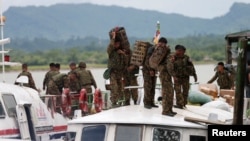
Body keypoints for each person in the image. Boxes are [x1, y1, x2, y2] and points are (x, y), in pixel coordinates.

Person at [168, 45, 197, 110]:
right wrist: (174, 76)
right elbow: (170, 67)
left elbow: (192, 66)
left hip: (185, 77)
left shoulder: (187, 58)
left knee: (185, 91)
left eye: (183, 51)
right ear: (177, 51)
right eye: (180, 51)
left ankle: (184, 104)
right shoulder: (173, 58)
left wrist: (195, 75)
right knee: (178, 91)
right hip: (177, 77)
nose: (182, 52)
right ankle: (179, 104)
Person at [156, 37, 176, 116]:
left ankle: (169, 109)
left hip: (163, 73)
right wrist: (173, 75)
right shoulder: (165, 52)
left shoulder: (159, 51)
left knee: (168, 92)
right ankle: (166, 110)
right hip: (165, 74)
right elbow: (169, 66)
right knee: (167, 92)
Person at [107, 31, 127, 107]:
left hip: (120, 72)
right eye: (115, 43)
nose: (116, 45)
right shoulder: (111, 52)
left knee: (120, 88)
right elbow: (110, 46)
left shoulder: (121, 52)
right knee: (114, 88)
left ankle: (120, 101)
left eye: (118, 44)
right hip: (113, 73)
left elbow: (126, 62)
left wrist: (123, 54)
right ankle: (114, 102)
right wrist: (113, 37)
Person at [142, 42, 158, 109]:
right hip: (147, 71)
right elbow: (147, 62)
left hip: (154, 71)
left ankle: (151, 102)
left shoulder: (156, 51)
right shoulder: (150, 51)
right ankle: (146, 102)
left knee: (153, 86)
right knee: (148, 86)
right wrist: (150, 70)